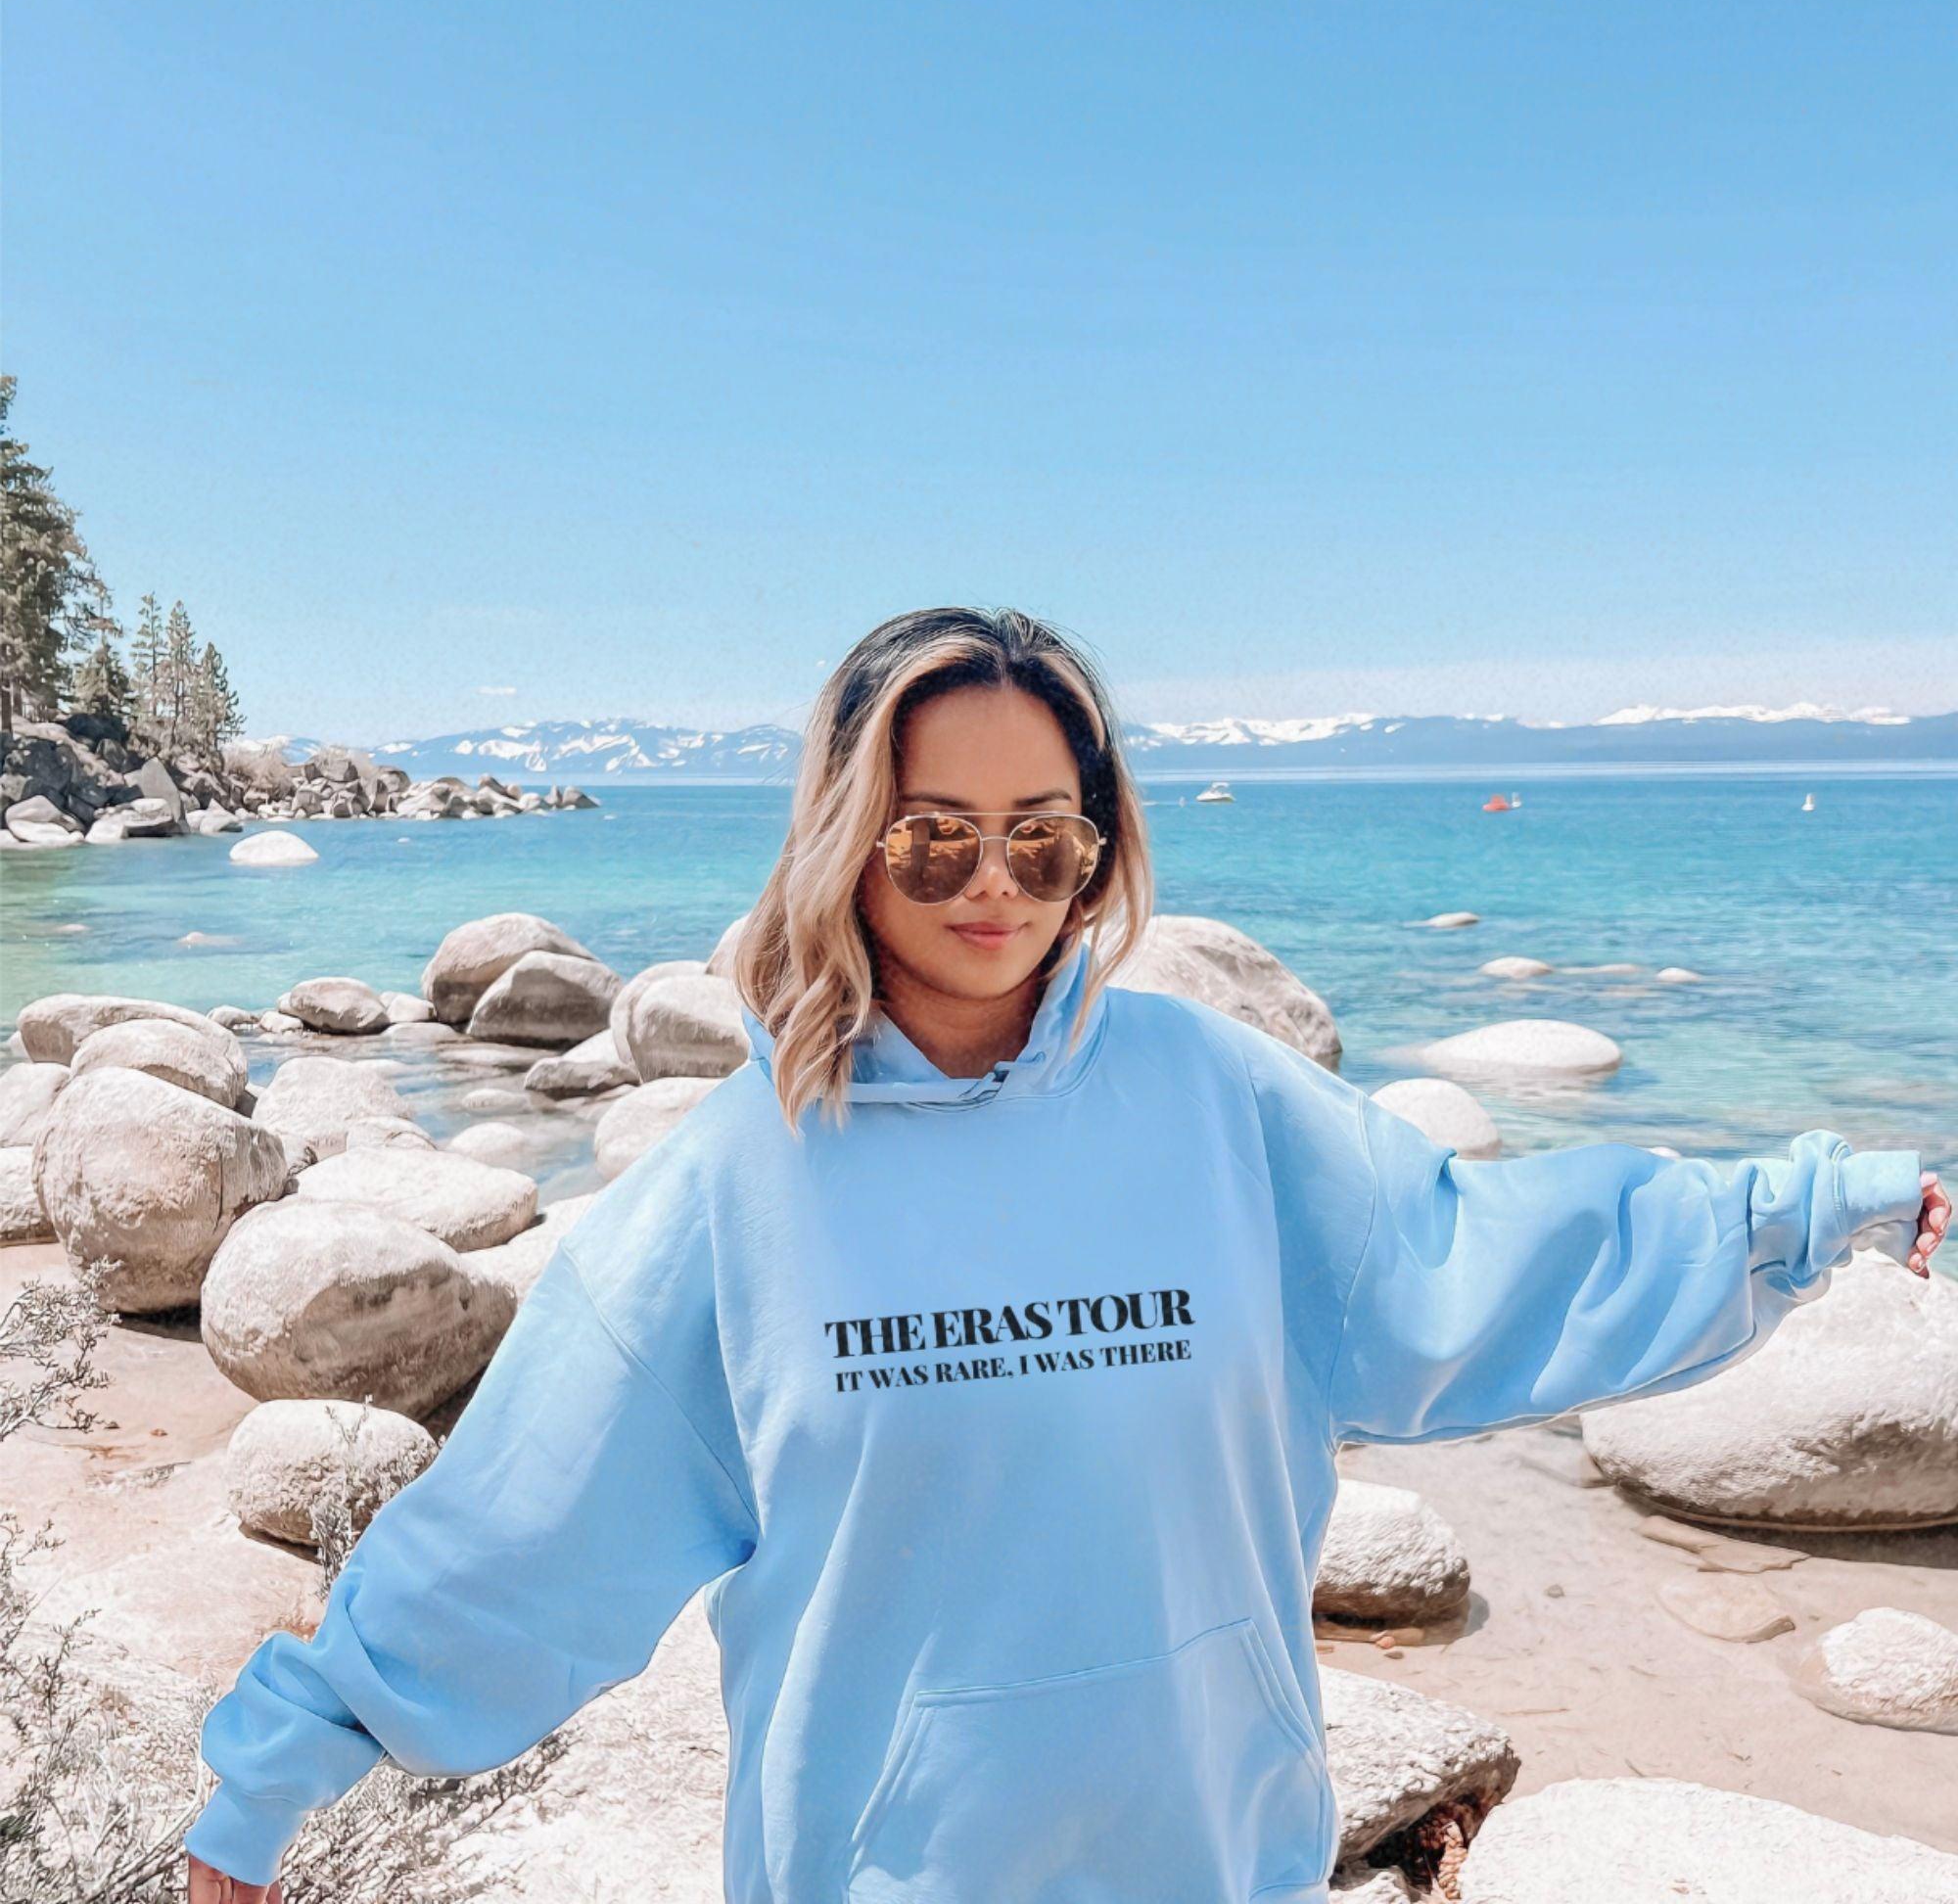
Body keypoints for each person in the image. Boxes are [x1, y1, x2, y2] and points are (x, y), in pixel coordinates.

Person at [184, 606, 1949, 1904]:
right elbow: (528, 1531)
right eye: (934, 834)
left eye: (1044, 835)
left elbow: (1479, 1261)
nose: (993, 885)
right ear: (844, 838)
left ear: (1099, 846)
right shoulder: (738, 1187)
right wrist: (279, 1770)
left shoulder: (1215, 1103)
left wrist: (1807, 1206)